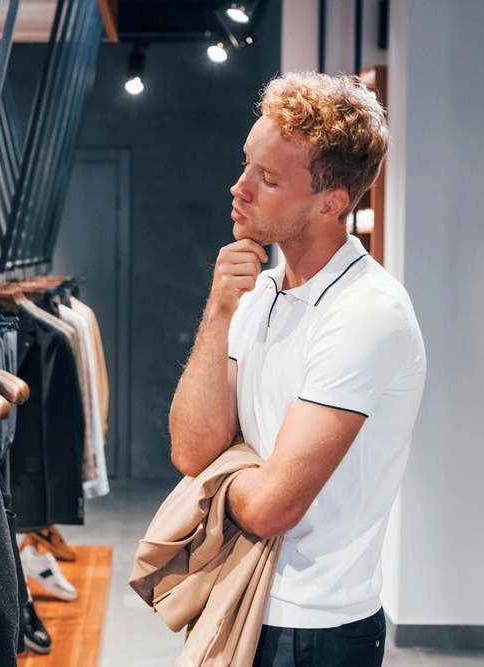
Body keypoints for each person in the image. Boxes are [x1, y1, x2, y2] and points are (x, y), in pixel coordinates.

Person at [168, 71, 427, 667]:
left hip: (315, 629)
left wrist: (213, 485)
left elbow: (270, 508)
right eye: (245, 164)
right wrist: (217, 311)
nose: (239, 188)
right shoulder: (260, 291)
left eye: (268, 178)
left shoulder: (367, 312)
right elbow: (190, 449)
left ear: (331, 203)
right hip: (240, 596)